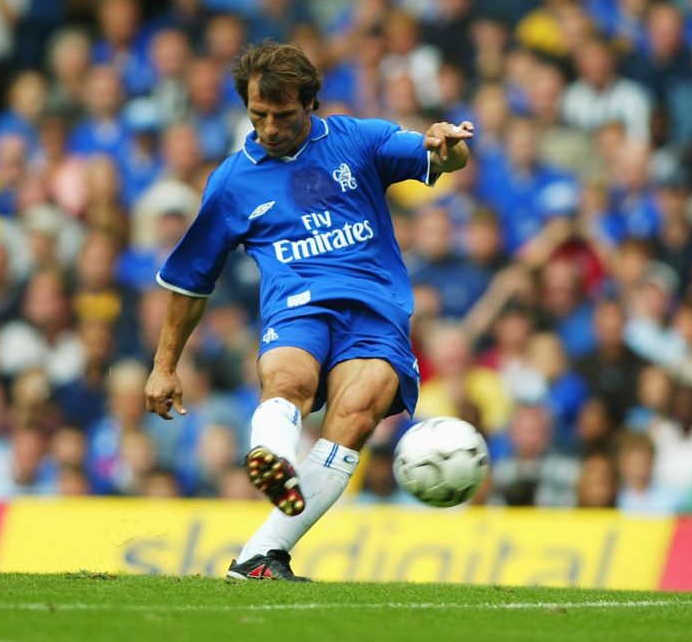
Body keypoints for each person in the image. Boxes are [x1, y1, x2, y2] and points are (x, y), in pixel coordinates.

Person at [144, 41, 473, 581]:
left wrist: (447, 144)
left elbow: (443, 157)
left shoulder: (358, 140)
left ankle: (258, 555)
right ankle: (271, 455)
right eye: (258, 115)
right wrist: (164, 365)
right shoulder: (232, 181)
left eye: (283, 115)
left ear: (311, 104)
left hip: (375, 309)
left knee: (358, 412)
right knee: (289, 378)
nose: (269, 128)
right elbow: (189, 280)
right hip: (298, 304)